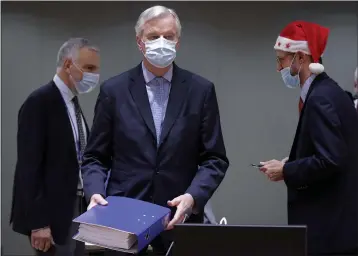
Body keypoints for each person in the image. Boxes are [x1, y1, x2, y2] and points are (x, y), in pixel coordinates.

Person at [81, 5, 229, 255]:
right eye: (153, 36)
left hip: (178, 220)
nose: (162, 42)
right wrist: (94, 191)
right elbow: (95, 157)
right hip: (123, 220)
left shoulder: (200, 90)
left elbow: (215, 159)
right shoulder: (114, 91)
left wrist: (193, 197)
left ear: (178, 42)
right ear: (140, 42)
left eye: (169, 36)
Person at [259, 21, 358, 255]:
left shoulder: (320, 99)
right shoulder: (329, 92)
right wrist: (290, 162)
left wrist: (287, 171)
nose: (278, 67)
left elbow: (331, 159)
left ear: (300, 58)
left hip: (330, 233)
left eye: (281, 60)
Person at [10, 38, 101, 256]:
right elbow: (28, 168)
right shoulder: (40, 102)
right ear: (69, 65)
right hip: (52, 214)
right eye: (89, 68)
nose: (94, 76)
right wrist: (39, 223)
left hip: (77, 204)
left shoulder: (72, 103)